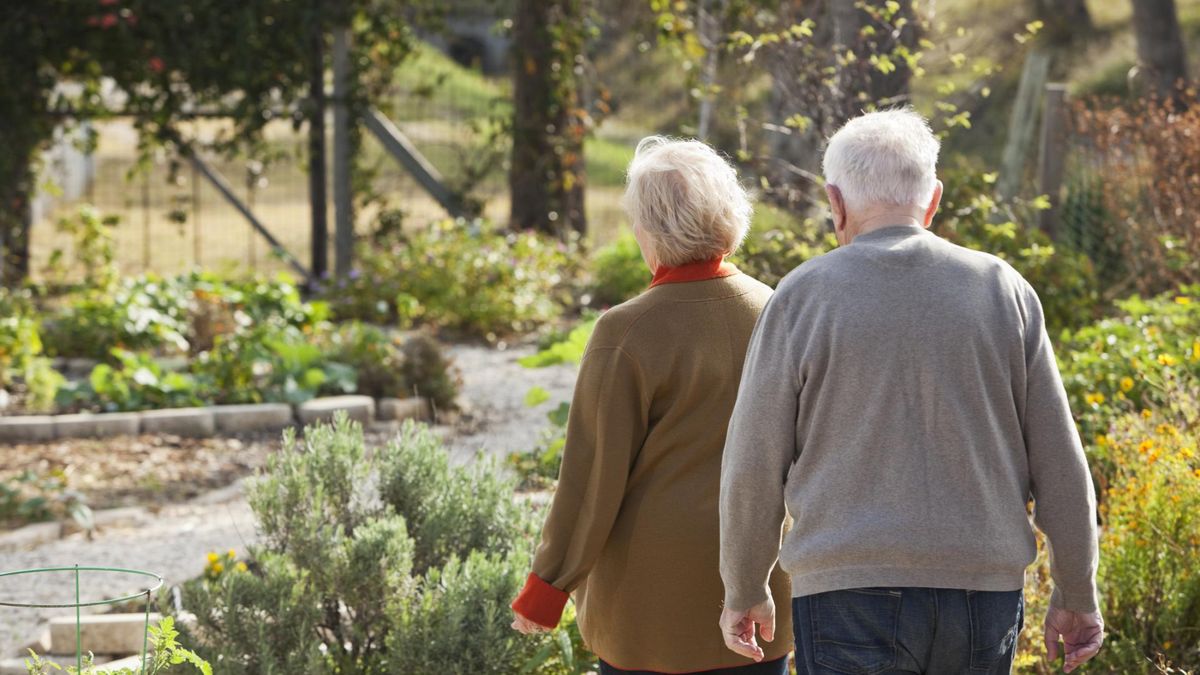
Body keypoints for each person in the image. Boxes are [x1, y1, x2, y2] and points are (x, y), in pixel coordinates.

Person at [717, 108, 1104, 675]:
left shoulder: (801, 297)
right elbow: (1060, 461)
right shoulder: (1004, 290)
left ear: (835, 202)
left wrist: (745, 586)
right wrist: (1076, 590)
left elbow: (753, 461)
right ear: (934, 199)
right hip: (981, 591)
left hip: (846, 591)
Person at [510, 136, 793, 675]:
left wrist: (546, 589)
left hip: (649, 607)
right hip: (763, 589)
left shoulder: (627, 331)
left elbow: (591, 478)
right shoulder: (778, 309)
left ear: (649, 228)